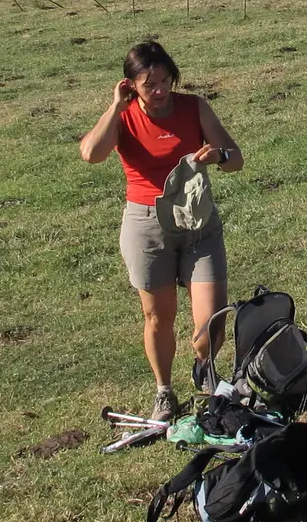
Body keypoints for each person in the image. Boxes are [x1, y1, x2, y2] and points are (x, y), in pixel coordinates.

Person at [78, 41, 244, 422]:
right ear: (130, 85)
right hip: (147, 228)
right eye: (148, 83)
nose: (159, 90)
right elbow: (90, 154)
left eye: (165, 80)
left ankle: (204, 368)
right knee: (158, 317)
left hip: (198, 222)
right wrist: (115, 107)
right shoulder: (123, 117)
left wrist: (219, 156)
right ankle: (164, 391)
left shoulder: (194, 107)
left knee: (212, 323)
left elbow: (236, 160)